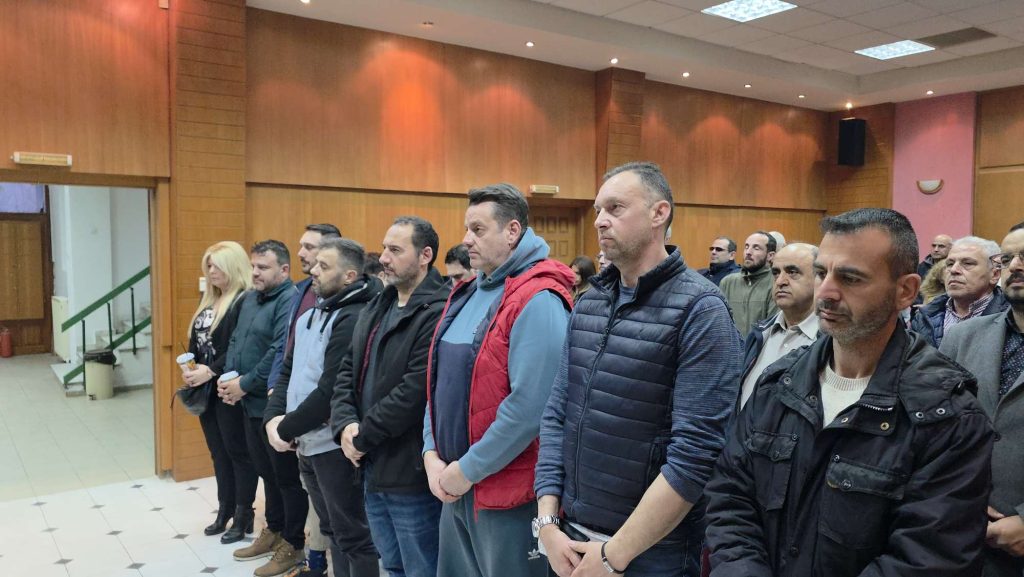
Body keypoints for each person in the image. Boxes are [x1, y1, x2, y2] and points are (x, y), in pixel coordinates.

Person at [705, 208, 995, 577]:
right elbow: (730, 497)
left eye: (850, 278)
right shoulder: (780, 382)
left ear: (905, 291)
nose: (825, 293)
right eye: (822, 273)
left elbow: (929, 558)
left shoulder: (946, 414)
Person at [535, 161, 742, 577]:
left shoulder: (701, 310)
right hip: (569, 536)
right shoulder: (590, 303)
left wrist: (614, 555)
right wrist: (547, 524)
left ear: (658, 213)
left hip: (651, 551)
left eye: (615, 208)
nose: (600, 220)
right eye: (598, 210)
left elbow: (695, 455)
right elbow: (558, 414)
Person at [423, 183, 574, 577]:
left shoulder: (539, 299)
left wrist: (466, 471)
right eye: (466, 229)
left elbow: (529, 410)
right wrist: (430, 454)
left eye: (477, 229)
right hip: (455, 487)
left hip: (505, 495)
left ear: (512, 231)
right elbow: (439, 384)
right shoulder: (467, 292)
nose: (466, 240)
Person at [331, 217, 450, 577]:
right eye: (384, 248)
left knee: (421, 569)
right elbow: (347, 370)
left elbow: (413, 393)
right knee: (393, 566)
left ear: (425, 255)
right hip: (371, 465)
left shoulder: (439, 309)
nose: (383, 257)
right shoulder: (379, 303)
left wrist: (361, 437)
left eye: (395, 250)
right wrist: (345, 425)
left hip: (409, 471)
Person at [264, 238, 380, 577]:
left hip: (333, 447)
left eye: (324, 266)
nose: (313, 270)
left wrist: (285, 428)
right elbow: (286, 372)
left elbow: (330, 391)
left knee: (352, 536)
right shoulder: (309, 315)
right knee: (331, 530)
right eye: (315, 264)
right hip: (306, 442)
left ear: (349, 276)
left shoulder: (354, 317)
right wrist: (272, 419)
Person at [940, 227, 1024, 577]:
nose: (1015, 266)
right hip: (961, 533)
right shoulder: (962, 337)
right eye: (1008, 258)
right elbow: (935, 429)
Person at [220, 240, 305, 570]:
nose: (254, 272)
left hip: (271, 404)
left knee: (286, 478)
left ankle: (293, 543)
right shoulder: (249, 299)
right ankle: (274, 529)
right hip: (246, 404)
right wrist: (229, 380)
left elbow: (277, 352)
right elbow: (236, 341)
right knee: (265, 472)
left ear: (284, 270)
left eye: (263, 267)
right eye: (253, 266)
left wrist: (244, 384)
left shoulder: (290, 299)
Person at [266, 224, 341, 576]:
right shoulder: (302, 292)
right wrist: (275, 398)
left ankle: (315, 560)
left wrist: (288, 424)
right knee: (303, 493)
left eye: (310, 248)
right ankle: (311, 558)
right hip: (294, 412)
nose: (301, 254)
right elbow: (287, 351)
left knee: (337, 522)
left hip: (323, 426)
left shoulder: (347, 308)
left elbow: (329, 380)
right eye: (301, 246)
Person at [183, 241, 253, 538]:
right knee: (218, 453)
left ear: (233, 266)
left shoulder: (243, 302)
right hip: (206, 391)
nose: (211, 271)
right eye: (208, 265)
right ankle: (225, 509)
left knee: (237, 452)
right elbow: (197, 344)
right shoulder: (209, 301)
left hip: (229, 388)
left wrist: (210, 370)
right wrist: (191, 368)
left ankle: (243, 514)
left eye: (217, 265)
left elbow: (239, 348)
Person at [739, 243, 819, 409]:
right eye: (776, 273)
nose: (780, 281)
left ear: (820, 278)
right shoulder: (759, 334)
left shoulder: (831, 342)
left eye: (792, 272)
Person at [911, 236, 1007, 348]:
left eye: (967, 263)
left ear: (994, 275)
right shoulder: (924, 317)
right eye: (950, 264)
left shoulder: (1013, 318)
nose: (953, 270)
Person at [720, 231, 779, 337]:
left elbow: (772, 329)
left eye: (756, 248)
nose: (748, 252)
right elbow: (720, 322)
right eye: (746, 247)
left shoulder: (776, 283)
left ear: (770, 256)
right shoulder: (728, 282)